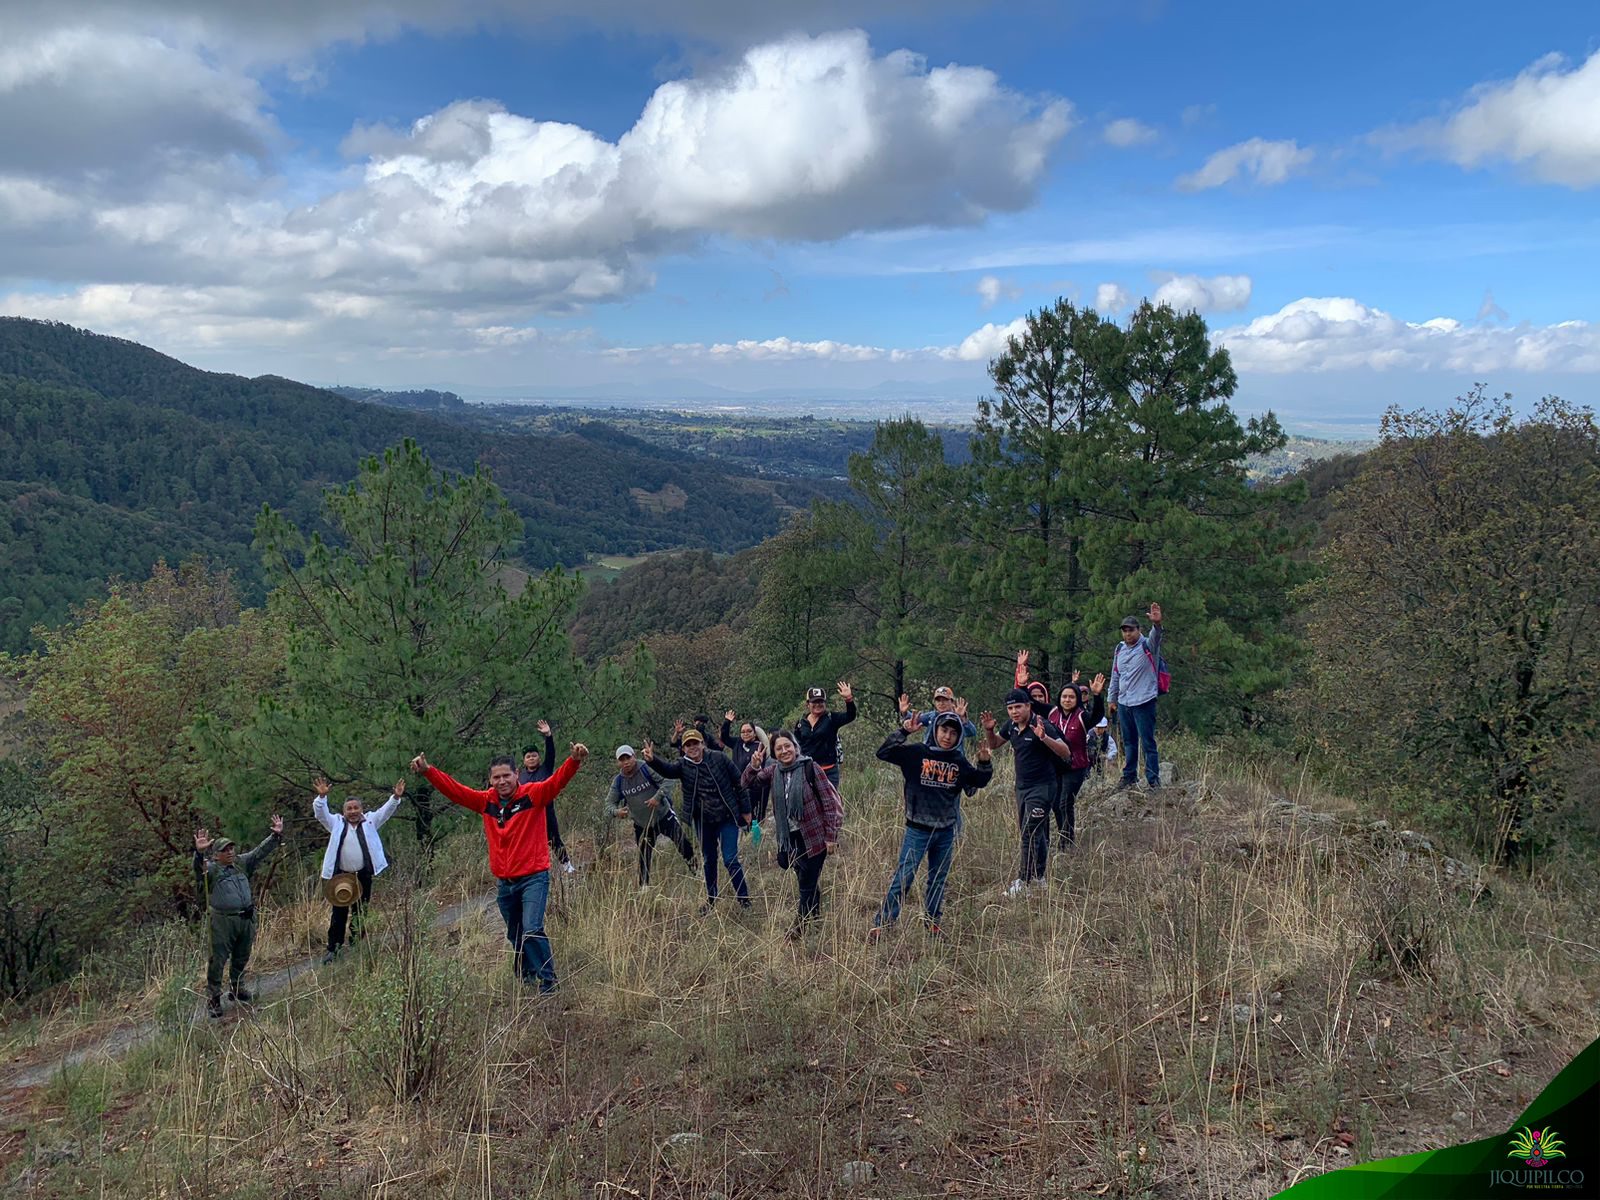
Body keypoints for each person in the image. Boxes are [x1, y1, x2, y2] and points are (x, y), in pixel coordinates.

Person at [411, 744, 587, 994]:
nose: (502, 781)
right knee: (515, 933)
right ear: (490, 780)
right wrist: (429, 771)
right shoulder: (486, 802)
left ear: (517, 773)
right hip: (505, 882)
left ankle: (548, 983)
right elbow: (456, 792)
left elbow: (555, 783)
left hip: (534, 877)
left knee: (532, 928)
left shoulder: (532, 795)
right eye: (496, 777)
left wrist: (573, 761)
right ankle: (526, 977)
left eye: (506, 775)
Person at [870, 711, 994, 938]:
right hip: (917, 829)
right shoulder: (917, 753)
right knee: (904, 877)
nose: (948, 736)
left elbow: (978, 782)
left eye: (953, 732)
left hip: (946, 830)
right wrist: (905, 731)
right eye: (944, 730)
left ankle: (932, 922)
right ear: (935, 730)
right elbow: (883, 752)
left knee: (938, 879)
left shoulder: (958, 761)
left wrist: (984, 763)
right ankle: (884, 923)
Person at [742, 729, 842, 938]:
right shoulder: (773, 772)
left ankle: (800, 927)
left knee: (806, 881)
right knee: (806, 879)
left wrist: (831, 837)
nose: (784, 750)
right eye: (779, 748)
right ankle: (814, 918)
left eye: (787, 746)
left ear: (795, 747)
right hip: (790, 837)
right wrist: (754, 765)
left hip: (814, 835)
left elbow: (829, 803)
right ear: (774, 753)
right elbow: (746, 784)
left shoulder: (810, 768)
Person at [643, 728, 752, 914]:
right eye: (688, 745)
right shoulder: (682, 765)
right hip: (703, 821)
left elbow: (738, 782)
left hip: (727, 817)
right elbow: (667, 771)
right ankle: (711, 900)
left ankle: (744, 901)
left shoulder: (719, 758)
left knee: (730, 859)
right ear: (683, 748)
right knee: (709, 860)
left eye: (695, 743)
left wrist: (746, 810)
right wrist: (652, 760)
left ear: (702, 743)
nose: (692, 747)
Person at [985, 688, 1073, 896]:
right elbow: (995, 744)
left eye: (1018, 707)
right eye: (1010, 708)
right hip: (1022, 787)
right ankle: (1039, 877)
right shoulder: (1012, 726)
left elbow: (1065, 751)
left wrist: (1044, 738)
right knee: (1037, 832)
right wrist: (989, 730)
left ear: (1028, 706)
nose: (1014, 712)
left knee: (1029, 832)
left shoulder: (1042, 725)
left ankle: (1023, 881)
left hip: (1043, 787)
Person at [193, 815, 283, 1017]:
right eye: (225, 850)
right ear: (215, 855)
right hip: (223, 921)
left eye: (231, 848)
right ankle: (214, 998)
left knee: (242, 955)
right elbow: (199, 872)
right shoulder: (212, 870)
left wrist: (275, 836)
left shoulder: (241, 863)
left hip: (246, 918)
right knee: (218, 959)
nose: (230, 852)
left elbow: (259, 853)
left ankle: (237, 987)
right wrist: (198, 854)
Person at [312, 775, 404, 965]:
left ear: (361, 809)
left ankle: (357, 945)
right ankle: (333, 949)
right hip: (341, 877)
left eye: (356, 808)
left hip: (363, 875)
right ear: (344, 811)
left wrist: (395, 797)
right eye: (349, 809)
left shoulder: (370, 821)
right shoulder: (336, 823)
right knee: (339, 914)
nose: (353, 812)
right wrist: (322, 798)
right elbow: (321, 814)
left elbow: (385, 812)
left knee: (361, 911)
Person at [605, 745, 697, 889]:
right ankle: (644, 888)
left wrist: (657, 797)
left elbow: (668, 780)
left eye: (628, 758)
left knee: (682, 843)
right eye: (622, 760)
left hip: (663, 815)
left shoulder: (646, 768)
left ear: (634, 757)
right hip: (642, 824)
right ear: (618, 763)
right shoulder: (618, 781)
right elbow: (609, 804)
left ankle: (696, 871)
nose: (626, 762)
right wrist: (617, 812)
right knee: (643, 856)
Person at [1106, 603, 1165, 792]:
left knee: (1147, 741)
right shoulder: (1119, 649)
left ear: (1138, 630)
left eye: (1131, 630)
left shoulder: (1148, 645)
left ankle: (1153, 780)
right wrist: (1111, 698)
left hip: (1144, 700)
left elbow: (1156, 637)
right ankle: (1129, 776)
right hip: (1124, 702)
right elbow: (1116, 674)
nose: (1127, 634)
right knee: (1129, 742)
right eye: (1124, 630)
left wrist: (1157, 624)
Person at [1045, 676, 1106, 849]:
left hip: (1076, 766)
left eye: (1071, 697)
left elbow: (1097, 716)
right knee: (1056, 804)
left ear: (1077, 699)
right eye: (1064, 696)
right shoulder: (1052, 713)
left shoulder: (1082, 716)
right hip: (1056, 766)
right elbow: (1031, 705)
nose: (1067, 700)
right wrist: (1022, 683)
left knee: (1065, 802)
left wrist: (1097, 695)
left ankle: (1068, 842)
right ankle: (1063, 837)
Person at [520, 720, 574, 873]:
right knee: (530, 844)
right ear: (524, 760)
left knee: (554, 840)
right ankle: (533, 870)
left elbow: (551, 753)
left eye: (534, 755)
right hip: (528, 817)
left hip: (546, 812)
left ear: (538, 757)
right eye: (528, 756)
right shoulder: (520, 778)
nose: (531, 758)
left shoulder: (545, 769)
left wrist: (548, 736)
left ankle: (567, 866)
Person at [793, 682, 856, 789]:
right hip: (808, 770)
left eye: (820, 701)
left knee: (829, 803)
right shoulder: (801, 722)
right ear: (808, 704)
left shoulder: (832, 718)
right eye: (814, 702)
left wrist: (849, 699)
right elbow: (796, 744)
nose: (818, 704)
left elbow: (850, 716)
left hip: (829, 771)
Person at [720, 710, 771, 822]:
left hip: (755, 788)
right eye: (743, 732)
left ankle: (756, 837)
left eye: (749, 731)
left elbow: (758, 766)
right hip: (738, 786)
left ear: (754, 733)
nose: (746, 734)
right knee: (741, 818)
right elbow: (724, 737)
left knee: (756, 818)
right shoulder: (737, 743)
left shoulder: (759, 746)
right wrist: (727, 722)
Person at [897, 686, 978, 746]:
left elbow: (972, 732)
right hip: (930, 757)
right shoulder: (932, 716)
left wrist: (963, 719)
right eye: (938, 700)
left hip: (952, 758)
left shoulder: (957, 718)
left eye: (945, 700)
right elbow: (915, 720)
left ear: (952, 702)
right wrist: (905, 713)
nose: (941, 703)